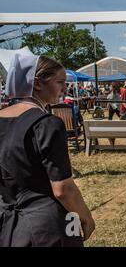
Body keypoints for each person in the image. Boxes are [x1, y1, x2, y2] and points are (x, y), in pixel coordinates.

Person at [0, 54, 95, 246]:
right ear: (37, 84)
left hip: (6, 221)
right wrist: (86, 217)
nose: (64, 88)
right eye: (60, 82)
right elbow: (63, 188)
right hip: (46, 226)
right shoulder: (47, 124)